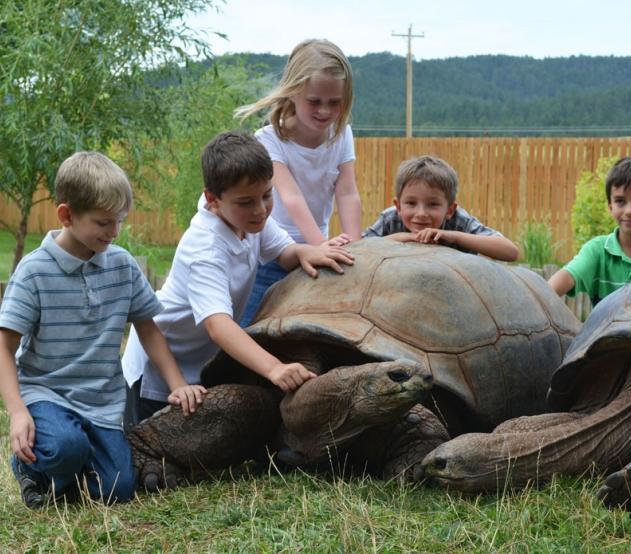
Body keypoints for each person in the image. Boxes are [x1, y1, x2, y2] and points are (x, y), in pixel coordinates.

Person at [0, 152, 204, 509]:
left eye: (120, 221)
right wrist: (18, 412)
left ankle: (65, 473)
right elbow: (4, 346)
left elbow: (148, 329)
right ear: (67, 215)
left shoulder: (122, 266)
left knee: (118, 489)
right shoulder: (34, 272)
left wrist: (177, 384)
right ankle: (31, 468)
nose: (114, 232)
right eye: (103, 223)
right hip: (47, 393)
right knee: (65, 446)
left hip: (103, 401)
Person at [122, 131, 353, 426]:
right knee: (151, 451)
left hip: (199, 362)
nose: (260, 210)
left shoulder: (246, 220)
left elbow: (282, 251)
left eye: (267, 195)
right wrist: (274, 368)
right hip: (161, 368)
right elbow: (218, 326)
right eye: (246, 202)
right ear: (212, 199)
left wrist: (306, 252)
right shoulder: (205, 249)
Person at [235, 38, 362, 326]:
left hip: (320, 253)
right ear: (292, 92)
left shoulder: (341, 134)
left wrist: (355, 245)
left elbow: (347, 192)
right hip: (274, 255)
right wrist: (318, 245)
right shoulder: (269, 140)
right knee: (250, 328)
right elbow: (290, 196)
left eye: (335, 103)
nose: (325, 111)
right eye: (314, 101)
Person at [548, 155, 631, 305]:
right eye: (620, 201)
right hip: (606, 329)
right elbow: (557, 284)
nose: (629, 210)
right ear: (611, 207)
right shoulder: (597, 251)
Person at [362, 155, 519, 260]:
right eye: (411, 203)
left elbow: (510, 252)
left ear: (450, 209)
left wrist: (454, 236)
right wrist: (401, 238)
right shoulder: (390, 218)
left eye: (433, 204)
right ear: (398, 206)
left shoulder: (460, 221)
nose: (421, 213)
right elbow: (358, 248)